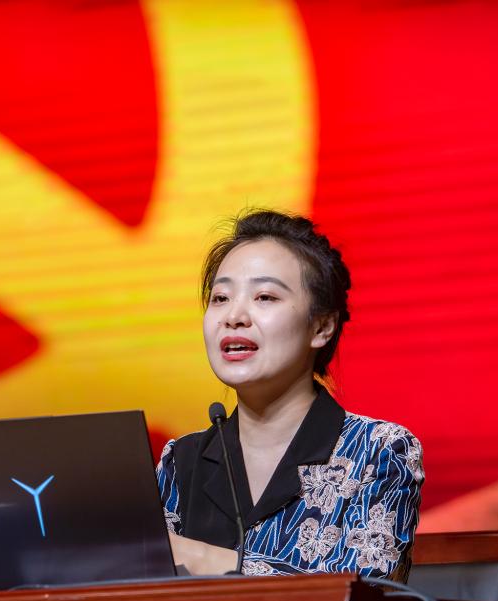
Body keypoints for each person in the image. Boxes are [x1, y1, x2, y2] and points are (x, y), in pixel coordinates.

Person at [157, 209, 424, 579]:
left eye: (265, 297)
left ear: (322, 326)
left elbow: (365, 595)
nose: (234, 316)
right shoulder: (180, 462)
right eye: (220, 298)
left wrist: (205, 559)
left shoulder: (378, 451)